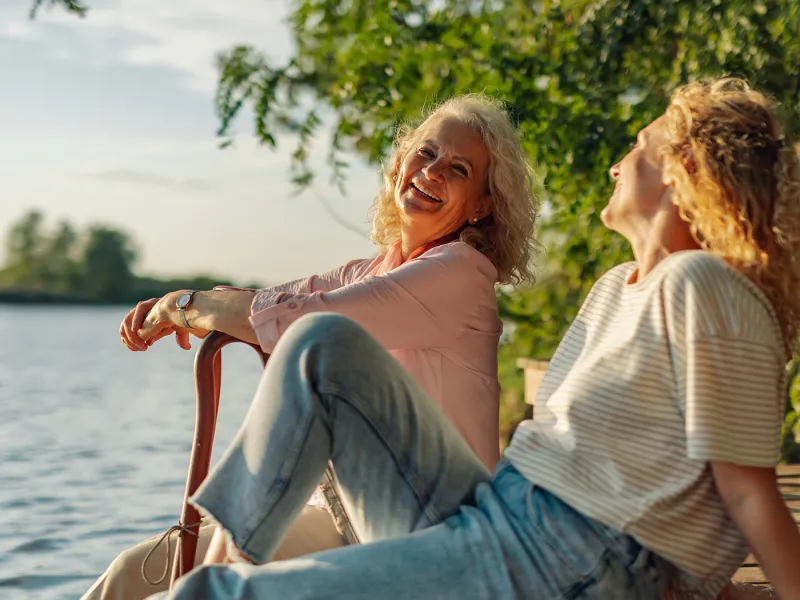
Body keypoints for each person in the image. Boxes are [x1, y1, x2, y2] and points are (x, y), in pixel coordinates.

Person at [148, 77, 800, 600]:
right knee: (320, 344)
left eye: (637, 146)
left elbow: (744, 487)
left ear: (681, 170)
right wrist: (201, 303)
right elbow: (297, 308)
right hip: (503, 513)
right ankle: (233, 553)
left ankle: (224, 573)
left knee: (213, 594)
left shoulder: (703, 284)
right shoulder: (617, 286)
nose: (615, 165)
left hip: (563, 555)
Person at [82, 93, 539, 600]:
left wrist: (184, 306)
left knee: (198, 584)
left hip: (427, 531)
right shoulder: (371, 272)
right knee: (132, 572)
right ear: (399, 165)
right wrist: (184, 302)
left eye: (458, 168)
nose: (432, 172)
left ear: (482, 205)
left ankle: (213, 583)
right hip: (344, 518)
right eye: (426, 153)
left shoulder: (459, 274)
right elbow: (272, 300)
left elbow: (305, 320)